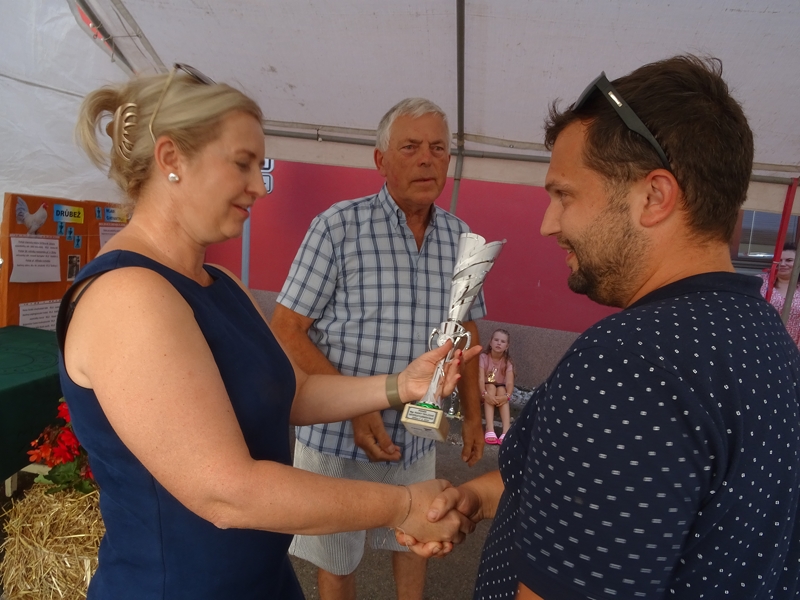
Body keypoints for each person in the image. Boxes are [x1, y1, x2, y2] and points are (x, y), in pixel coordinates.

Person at [59, 67, 478, 600]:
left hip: (262, 580)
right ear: (171, 159)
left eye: (260, 166)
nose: (259, 186)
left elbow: (294, 392)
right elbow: (226, 492)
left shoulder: (220, 282)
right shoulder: (128, 295)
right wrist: (404, 505)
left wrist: (402, 385)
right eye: (242, 163)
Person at [410, 55, 800, 599]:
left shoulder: (629, 365)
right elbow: (621, 499)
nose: (548, 224)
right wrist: (478, 497)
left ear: (654, 197)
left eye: (564, 194)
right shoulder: (767, 337)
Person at [270, 97, 485, 600]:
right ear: (380, 160)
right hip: (335, 438)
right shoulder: (337, 226)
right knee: (336, 560)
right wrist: (355, 407)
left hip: (417, 434)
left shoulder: (461, 238)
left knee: (417, 543)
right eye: (410, 147)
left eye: (438, 148)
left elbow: (467, 329)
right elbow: (286, 328)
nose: (427, 159)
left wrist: (474, 415)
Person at [759, 242, 800, 347]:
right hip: (761, 344)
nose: (782, 264)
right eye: (779, 260)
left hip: (792, 347)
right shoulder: (759, 282)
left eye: (789, 260)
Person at [478, 328, 513, 445]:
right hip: (483, 390)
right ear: (490, 342)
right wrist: (484, 394)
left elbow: (509, 382)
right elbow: (480, 379)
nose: (499, 343)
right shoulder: (483, 357)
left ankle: (506, 430)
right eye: (496, 340)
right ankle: (489, 428)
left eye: (503, 341)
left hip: (498, 392)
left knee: (502, 389)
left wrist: (506, 396)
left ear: (507, 346)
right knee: (491, 387)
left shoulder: (507, 362)